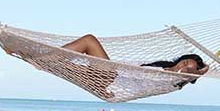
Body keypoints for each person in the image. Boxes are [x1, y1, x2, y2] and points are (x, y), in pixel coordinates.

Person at [62, 34, 209, 84]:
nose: (183, 67)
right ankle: (47, 59)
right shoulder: (161, 67)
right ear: (179, 60)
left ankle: (50, 57)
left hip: (111, 77)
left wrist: (201, 71)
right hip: (109, 78)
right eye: (184, 62)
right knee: (63, 65)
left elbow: (190, 75)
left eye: (189, 68)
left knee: (89, 41)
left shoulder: (172, 80)